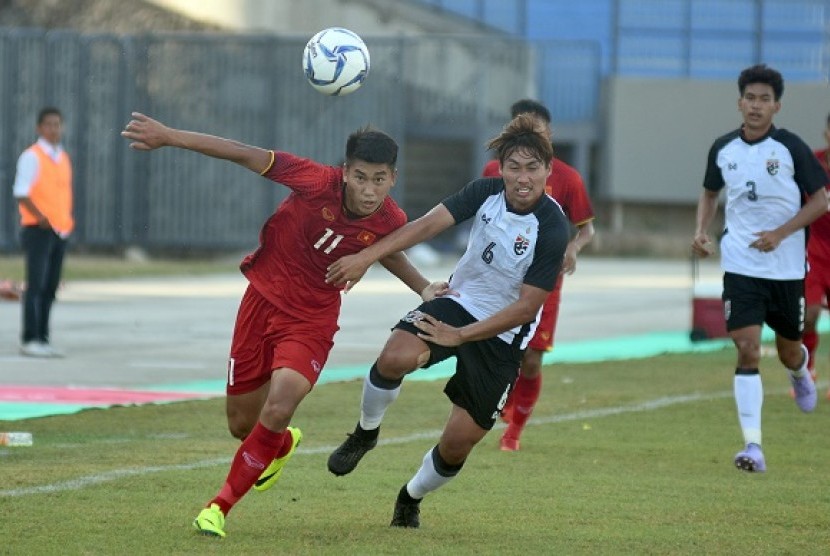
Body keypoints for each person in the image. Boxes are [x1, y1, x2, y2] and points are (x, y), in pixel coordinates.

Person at [121, 112, 447, 538]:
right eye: (361, 177)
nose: (369, 190)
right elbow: (242, 154)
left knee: (280, 404)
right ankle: (282, 443)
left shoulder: (390, 217)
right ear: (345, 172)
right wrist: (169, 136)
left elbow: (388, 249)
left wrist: (423, 289)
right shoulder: (313, 180)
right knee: (242, 425)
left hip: (311, 320)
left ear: (393, 178)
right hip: (260, 302)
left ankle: (218, 507)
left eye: (379, 179)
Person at [324, 113, 571, 527]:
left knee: (458, 444)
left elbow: (527, 308)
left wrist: (461, 336)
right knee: (394, 357)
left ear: (548, 170)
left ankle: (410, 496)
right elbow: (424, 227)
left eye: (532, 168)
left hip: (505, 335)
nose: (522, 178)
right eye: (514, 167)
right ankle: (365, 432)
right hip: (459, 303)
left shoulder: (552, 227)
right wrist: (366, 258)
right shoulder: (484, 192)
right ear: (501, 169)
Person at [691, 64, 828, 473]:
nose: (756, 105)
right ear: (740, 102)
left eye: (764, 99)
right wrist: (701, 230)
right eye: (750, 97)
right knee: (747, 349)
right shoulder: (723, 148)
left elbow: (821, 200)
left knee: (787, 351)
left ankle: (800, 371)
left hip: (786, 270)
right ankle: (753, 446)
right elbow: (709, 193)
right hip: (741, 265)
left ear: (776, 106)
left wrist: (781, 233)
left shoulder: (791, 148)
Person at [482, 99, 595, 451]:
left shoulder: (567, 177)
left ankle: (513, 431)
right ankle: (496, 400)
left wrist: (572, 248)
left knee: (531, 358)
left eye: (537, 133)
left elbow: (586, 229)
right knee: (495, 348)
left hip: (544, 280)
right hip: (501, 277)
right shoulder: (493, 172)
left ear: (549, 137)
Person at [13, 107, 74, 358]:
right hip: (38, 229)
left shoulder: (62, 157)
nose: (54, 129)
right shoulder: (32, 156)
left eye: (57, 124)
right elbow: (21, 191)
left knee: (50, 287)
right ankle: (30, 338)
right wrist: (41, 218)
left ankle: (43, 337)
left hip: (60, 231)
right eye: (49, 124)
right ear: (39, 128)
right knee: (36, 285)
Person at [802, 113, 830, 397]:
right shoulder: (811, 163)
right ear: (826, 134)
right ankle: (806, 372)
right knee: (808, 315)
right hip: (814, 252)